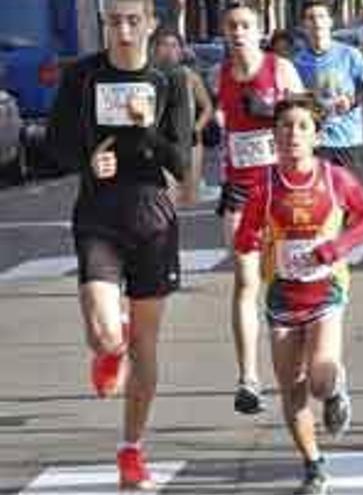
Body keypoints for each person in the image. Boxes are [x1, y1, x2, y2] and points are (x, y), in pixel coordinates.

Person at [44, 0, 191, 488]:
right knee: (109, 335)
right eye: (114, 21)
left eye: (133, 20)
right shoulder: (82, 77)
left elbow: (182, 161)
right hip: (99, 214)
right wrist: (87, 162)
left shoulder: (170, 79)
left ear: (150, 24)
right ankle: (110, 345)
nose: (123, 30)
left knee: (145, 345)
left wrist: (145, 125)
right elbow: (55, 143)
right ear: (104, 24)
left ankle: (132, 449)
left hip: (152, 217)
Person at [235, 93, 363, 495]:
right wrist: (251, 238)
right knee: (292, 388)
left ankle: (335, 389)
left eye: (302, 127)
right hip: (282, 296)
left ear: (317, 136)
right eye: (285, 126)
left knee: (319, 377)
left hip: (326, 292)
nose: (293, 134)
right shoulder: (264, 185)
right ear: (274, 135)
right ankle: (313, 464)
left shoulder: (335, 179)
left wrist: (336, 247)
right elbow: (245, 234)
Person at [216, 0, 304, 415]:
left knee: (290, 280)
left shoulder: (279, 69)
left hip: (282, 189)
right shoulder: (220, 74)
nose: (237, 33)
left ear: (259, 30)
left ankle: (305, 361)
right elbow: (225, 130)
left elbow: (308, 119)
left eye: (244, 25)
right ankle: (248, 378)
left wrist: (271, 113)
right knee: (245, 280)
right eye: (231, 26)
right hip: (240, 192)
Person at [294, 0, 363, 169]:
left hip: (346, 140)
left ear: (330, 21)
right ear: (303, 25)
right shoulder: (297, 62)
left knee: (344, 193)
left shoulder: (349, 54)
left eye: (321, 16)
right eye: (311, 18)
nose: (317, 22)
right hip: (313, 142)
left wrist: (351, 101)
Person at [153, 29, 216, 204]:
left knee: (190, 197)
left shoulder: (190, 76)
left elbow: (207, 107)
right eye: (164, 45)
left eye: (173, 45)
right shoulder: (150, 76)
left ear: (181, 51)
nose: (168, 50)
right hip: (162, 143)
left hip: (191, 142)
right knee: (167, 195)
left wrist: (197, 127)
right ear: (155, 49)